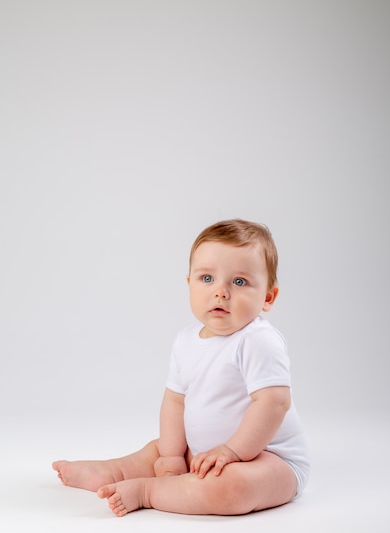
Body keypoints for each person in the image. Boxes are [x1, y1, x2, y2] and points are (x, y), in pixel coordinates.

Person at [53, 219, 310, 516]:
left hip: (268, 459)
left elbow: (274, 403)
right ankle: (113, 471)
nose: (221, 292)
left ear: (268, 297)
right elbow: (175, 401)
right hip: (205, 454)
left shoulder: (258, 340)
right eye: (207, 278)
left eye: (239, 282)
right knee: (158, 450)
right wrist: (173, 456)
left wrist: (232, 452)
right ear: (189, 284)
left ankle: (147, 490)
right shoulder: (186, 341)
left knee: (233, 488)